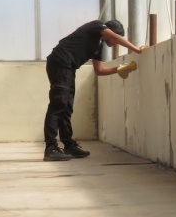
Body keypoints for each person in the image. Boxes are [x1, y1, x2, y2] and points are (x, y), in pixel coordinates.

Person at [43, 20, 145, 162]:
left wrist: (120, 68)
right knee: (58, 104)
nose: (115, 42)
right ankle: (51, 148)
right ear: (110, 32)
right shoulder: (96, 25)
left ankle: (68, 145)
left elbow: (100, 70)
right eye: (115, 38)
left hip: (69, 68)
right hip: (60, 63)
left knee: (66, 107)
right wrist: (138, 50)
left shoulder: (98, 46)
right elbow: (116, 38)